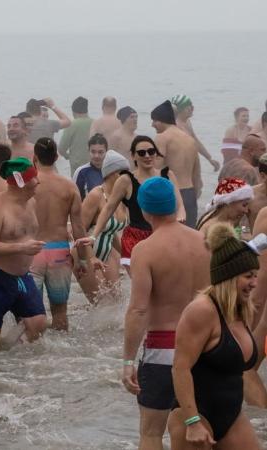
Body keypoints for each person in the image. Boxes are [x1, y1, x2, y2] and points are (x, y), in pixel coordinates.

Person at [118, 176, 210, 450]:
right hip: (206, 346)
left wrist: (127, 361)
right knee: (198, 425)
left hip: (164, 351)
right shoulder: (205, 241)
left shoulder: (145, 250)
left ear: (145, 210)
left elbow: (138, 309)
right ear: (173, 204)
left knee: (151, 432)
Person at [169, 223, 261, 449]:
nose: (255, 283)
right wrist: (192, 422)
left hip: (231, 415)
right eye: (248, 276)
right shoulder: (201, 311)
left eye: (256, 275)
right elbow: (180, 368)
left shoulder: (241, 309)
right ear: (228, 276)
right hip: (194, 415)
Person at [0, 158, 48, 351]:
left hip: (22, 277)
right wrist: (21, 248)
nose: (38, 182)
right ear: (21, 182)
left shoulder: (31, 203)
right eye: (34, 178)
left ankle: (16, 368)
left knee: (39, 324)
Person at [89, 136, 184, 269]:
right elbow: (108, 208)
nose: (147, 156)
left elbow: (179, 204)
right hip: (135, 239)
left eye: (151, 151)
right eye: (141, 153)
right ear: (133, 156)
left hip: (165, 235)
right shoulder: (126, 180)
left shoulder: (168, 175)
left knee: (164, 283)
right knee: (144, 284)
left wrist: (180, 217)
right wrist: (93, 236)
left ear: (156, 154)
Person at [31, 138, 94, 331]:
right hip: (59, 252)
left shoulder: (28, 185)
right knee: (60, 312)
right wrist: (83, 261)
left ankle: (30, 359)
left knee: (31, 314)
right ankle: (63, 360)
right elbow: (78, 229)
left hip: (32, 252)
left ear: (34, 157)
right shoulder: (68, 186)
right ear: (57, 157)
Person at [76, 151, 129, 302]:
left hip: (107, 252)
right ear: (113, 174)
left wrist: (128, 256)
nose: (129, 177)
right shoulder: (96, 195)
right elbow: (79, 230)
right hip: (85, 254)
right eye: (125, 172)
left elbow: (111, 232)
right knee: (101, 303)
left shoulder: (121, 197)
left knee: (116, 300)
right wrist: (90, 257)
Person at [152, 100, 199, 228]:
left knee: (169, 238)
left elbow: (155, 171)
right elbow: (197, 176)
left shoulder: (162, 138)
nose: (152, 125)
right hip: (190, 194)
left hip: (172, 194)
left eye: (154, 121)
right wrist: (195, 195)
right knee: (189, 236)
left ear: (161, 120)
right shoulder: (190, 140)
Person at [171, 95, 221, 172]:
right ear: (181, 110)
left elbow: (195, 141)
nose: (192, 109)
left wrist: (209, 158)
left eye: (192, 106)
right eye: (189, 107)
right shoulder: (176, 127)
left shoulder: (187, 122)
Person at [58, 96, 94, 176]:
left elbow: (61, 149)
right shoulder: (95, 123)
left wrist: (68, 156)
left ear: (73, 111)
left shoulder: (72, 125)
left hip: (77, 167)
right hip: (94, 164)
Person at [72, 133, 108, 199]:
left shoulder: (113, 171)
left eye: (100, 152)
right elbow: (75, 199)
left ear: (106, 152)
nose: (96, 156)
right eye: (93, 152)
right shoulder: (81, 172)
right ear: (88, 151)